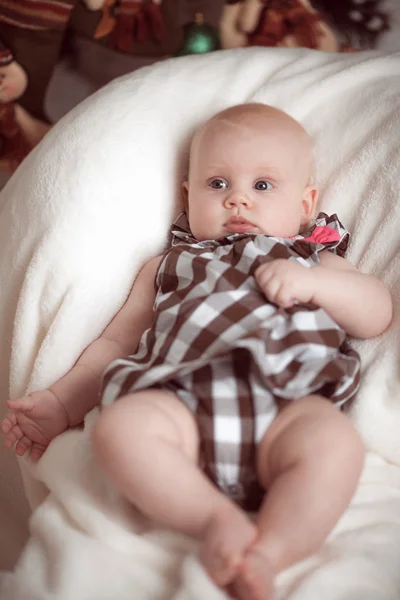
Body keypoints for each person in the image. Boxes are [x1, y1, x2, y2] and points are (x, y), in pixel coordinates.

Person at [2, 103, 392, 600]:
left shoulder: (314, 259)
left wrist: (312, 285)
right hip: (181, 405)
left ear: (305, 203)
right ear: (188, 196)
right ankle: (214, 520)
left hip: (288, 408)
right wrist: (60, 404)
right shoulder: (171, 264)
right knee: (121, 431)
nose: (238, 202)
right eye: (217, 184)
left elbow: (376, 311)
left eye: (263, 186)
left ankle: (268, 554)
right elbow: (115, 344)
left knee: (337, 446)